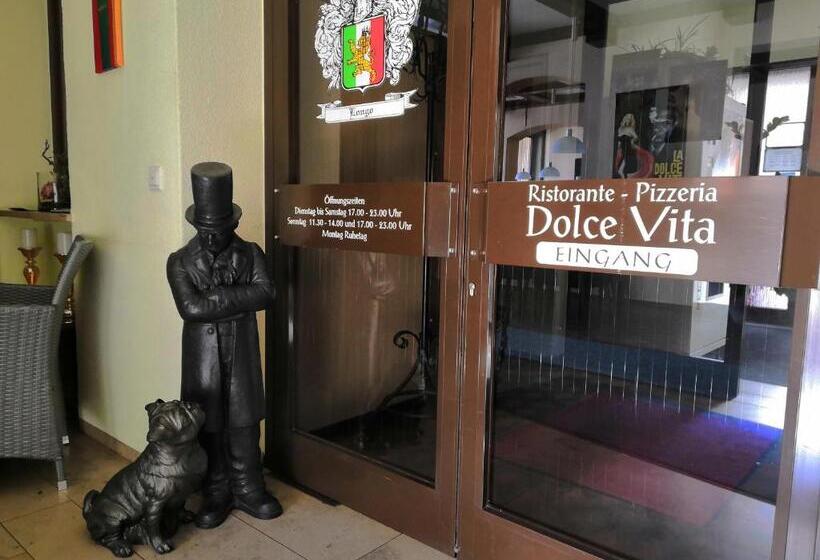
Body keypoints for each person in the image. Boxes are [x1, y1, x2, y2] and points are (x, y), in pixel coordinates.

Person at [167, 162, 281, 529]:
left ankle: (249, 486)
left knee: (245, 419)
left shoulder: (251, 253)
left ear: (233, 224)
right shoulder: (179, 262)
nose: (211, 239)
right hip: (203, 357)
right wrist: (238, 300)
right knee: (210, 423)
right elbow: (190, 308)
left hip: (241, 350)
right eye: (204, 231)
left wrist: (215, 298)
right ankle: (215, 490)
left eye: (218, 231)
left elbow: (266, 293)